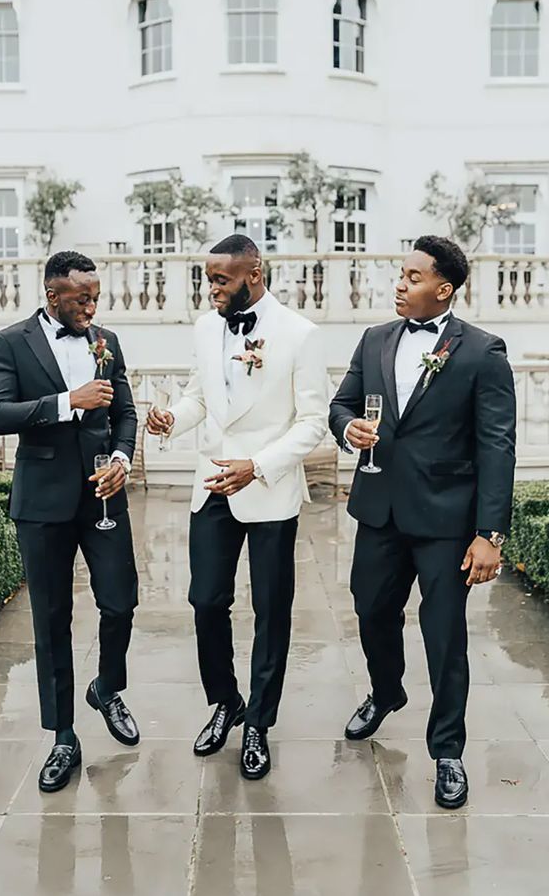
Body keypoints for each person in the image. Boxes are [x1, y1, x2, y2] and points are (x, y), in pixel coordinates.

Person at [329, 235, 516, 809]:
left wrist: (490, 535)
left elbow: (497, 446)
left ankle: (448, 751)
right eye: (400, 274)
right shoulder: (375, 338)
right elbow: (342, 404)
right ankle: (387, 692)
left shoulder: (482, 352)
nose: (400, 284)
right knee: (369, 609)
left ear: (445, 288)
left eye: (412, 276)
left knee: (444, 637)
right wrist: (347, 430)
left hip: (444, 523)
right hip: (380, 509)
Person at [147, 234, 329, 780]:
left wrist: (258, 465)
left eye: (219, 280)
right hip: (212, 485)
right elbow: (201, 395)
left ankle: (259, 724)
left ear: (253, 274)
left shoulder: (300, 335)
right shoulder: (206, 329)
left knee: (272, 611)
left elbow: (312, 423)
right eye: (208, 279)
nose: (210, 290)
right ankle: (226, 702)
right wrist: (172, 420)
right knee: (205, 601)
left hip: (268, 488)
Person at [0, 250, 140, 792]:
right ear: (53, 295)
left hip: (103, 497)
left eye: (96, 297)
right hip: (43, 502)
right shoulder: (9, 342)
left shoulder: (107, 341)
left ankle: (108, 687)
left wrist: (121, 460)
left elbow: (124, 412)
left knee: (121, 601)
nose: (92, 307)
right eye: (82, 298)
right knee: (51, 621)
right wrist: (65, 402)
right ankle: (64, 737)